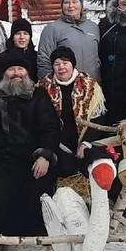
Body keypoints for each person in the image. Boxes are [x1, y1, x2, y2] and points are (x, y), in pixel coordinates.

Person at [0, 53, 60, 236]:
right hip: (3, 158)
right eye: (11, 69)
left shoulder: (38, 96)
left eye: (20, 69)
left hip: (34, 157)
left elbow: (51, 128)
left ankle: (30, 237)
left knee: (34, 195)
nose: (17, 73)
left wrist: (44, 155)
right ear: (4, 73)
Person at [37, 47, 109, 179]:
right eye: (57, 64)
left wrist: (86, 142)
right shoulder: (43, 86)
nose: (61, 67)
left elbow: (97, 118)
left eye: (65, 63)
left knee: (95, 164)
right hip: (58, 141)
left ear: (73, 64)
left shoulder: (89, 85)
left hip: (85, 137)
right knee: (65, 168)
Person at [37, 0, 100, 82]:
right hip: (65, 87)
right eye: (66, 2)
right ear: (62, 6)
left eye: (75, 2)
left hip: (92, 86)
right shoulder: (52, 29)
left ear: (81, 4)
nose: (71, 6)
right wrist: (48, 85)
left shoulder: (93, 27)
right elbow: (44, 60)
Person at [6, 17, 38, 82]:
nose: (22, 37)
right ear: (12, 37)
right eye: (18, 34)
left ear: (30, 37)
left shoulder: (37, 58)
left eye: (25, 33)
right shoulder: (2, 59)